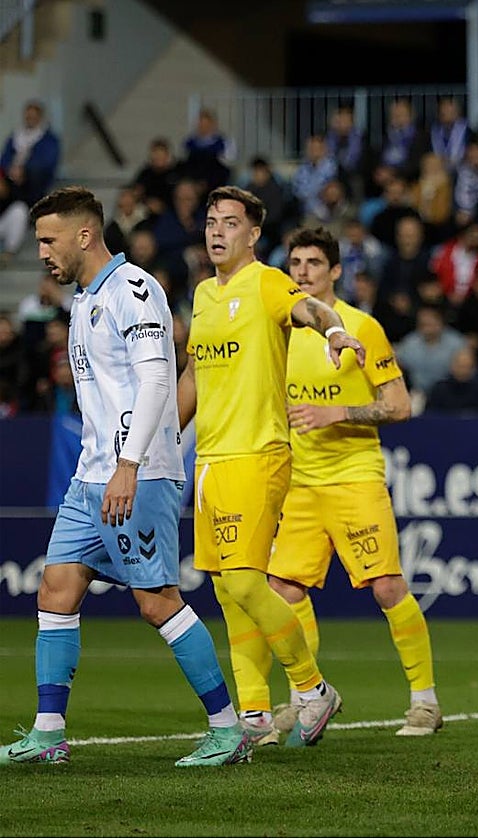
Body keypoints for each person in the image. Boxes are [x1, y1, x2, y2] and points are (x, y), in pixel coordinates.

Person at [0, 187, 247, 767]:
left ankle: (227, 728)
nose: (41, 252)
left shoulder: (134, 292)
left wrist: (129, 466)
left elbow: (158, 382)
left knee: (157, 601)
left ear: (84, 235)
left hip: (138, 474)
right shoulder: (86, 298)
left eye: (48, 240)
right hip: (90, 477)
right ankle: (48, 732)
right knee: (56, 589)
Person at [176, 186, 365, 747]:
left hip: (257, 452)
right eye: (211, 222)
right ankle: (254, 714)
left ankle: (311, 689)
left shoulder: (266, 281)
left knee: (242, 579)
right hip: (211, 457)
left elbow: (310, 307)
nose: (217, 231)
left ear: (252, 234)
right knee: (225, 589)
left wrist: (332, 330)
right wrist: (162, 438)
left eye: (230, 223)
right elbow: (194, 375)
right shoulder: (205, 293)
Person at [248, 227, 442, 741]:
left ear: (335, 270)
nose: (303, 271)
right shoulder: (281, 331)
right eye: (295, 262)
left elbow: (399, 406)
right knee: (281, 589)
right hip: (301, 482)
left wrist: (338, 413)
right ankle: (305, 700)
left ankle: (425, 702)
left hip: (355, 476)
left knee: (386, 587)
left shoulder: (361, 328)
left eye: (314, 262)